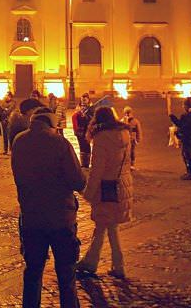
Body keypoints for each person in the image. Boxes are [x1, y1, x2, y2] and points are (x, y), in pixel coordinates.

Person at [12, 107, 86, 308]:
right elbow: (78, 181)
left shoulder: (19, 141)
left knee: (33, 272)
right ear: (52, 124)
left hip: (31, 217)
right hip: (60, 218)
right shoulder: (60, 143)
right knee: (66, 275)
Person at [76, 106, 133, 279]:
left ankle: (93, 263)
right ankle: (109, 264)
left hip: (107, 187)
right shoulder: (124, 133)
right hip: (122, 184)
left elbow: (97, 170)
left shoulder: (101, 138)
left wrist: (89, 192)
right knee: (108, 225)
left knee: (104, 224)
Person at [171, 97, 191, 180]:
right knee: (186, 154)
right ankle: (190, 171)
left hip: (188, 138)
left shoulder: (187, 116)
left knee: (187, 155)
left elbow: (182, 125)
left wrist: (173, 118)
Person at [71, 94, 93, 168]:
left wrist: (86, 116)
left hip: (87, 130)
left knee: (87, 146)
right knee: (81, 146)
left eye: (85, 99)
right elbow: (74, 118)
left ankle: (87, 163)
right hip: (79, 130)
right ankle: (83, 163)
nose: (83, 101)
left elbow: (92, 119)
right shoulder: (78, 108)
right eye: (82, 99)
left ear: (88, 100)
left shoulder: (91, 108)